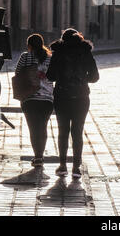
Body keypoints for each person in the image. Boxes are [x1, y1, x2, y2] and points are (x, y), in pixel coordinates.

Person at [46, 28, 99, 179]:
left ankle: (62, 166)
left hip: (62, 96)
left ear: (63, 39)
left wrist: (62, 77)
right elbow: (95, 77)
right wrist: (82, 79)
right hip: (81, 96)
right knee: (78, 131)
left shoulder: (58, 52)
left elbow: (50, 76)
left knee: (63, 131)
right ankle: (76, 168)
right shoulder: (85, 51)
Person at [15, 34, 53, 167]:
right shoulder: (50, 58)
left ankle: (37, 157)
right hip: (47, 99)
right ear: (42, 44)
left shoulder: (25, 56)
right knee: (43, 128)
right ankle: (40, 156)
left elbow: (18, 73)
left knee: (33, 129)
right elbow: (53, 76)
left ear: (29, 45)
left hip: (29, 98)